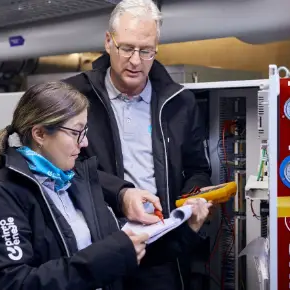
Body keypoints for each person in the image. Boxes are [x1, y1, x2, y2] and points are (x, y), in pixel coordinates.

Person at [0, 81, 212, 290]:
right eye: (76, 133)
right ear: (40, 134)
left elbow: (124, 251)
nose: (84, 144)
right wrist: (106, 257)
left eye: (85, 132)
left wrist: (185, 231)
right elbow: (11, 283)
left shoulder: (76, 181)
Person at [63, 0, 215, 289]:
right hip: (96, 246)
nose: (135, 61)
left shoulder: (180, 103)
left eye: (146, 51)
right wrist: (121, 194)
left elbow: (197, 168)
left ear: (156, 48)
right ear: (109, 42)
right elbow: (63, 168)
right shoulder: (73, 96)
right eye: (127, 48)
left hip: (161, 248)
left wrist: (193, 197)